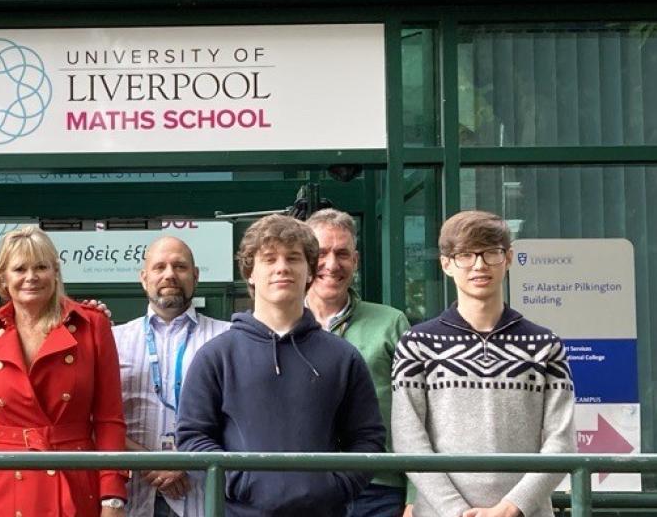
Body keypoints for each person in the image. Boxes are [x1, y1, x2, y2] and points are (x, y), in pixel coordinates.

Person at [177, 214, 386, 517]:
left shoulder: (343, 357)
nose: (282, 268)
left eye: (293, 258)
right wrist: (241, 482)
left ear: (310, 272)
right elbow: (193, 438)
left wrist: (333, 486)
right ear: (250, 273)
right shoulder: (216, 356)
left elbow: (368, 439)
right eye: (269, 259)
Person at [392, 211, 575, 517]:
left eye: (491, 252)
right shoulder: (417, 344)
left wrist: (512, 507)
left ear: (509, 258)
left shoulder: (546, 345)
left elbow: (562, 442)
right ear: (446, 264)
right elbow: (409, 440)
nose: (479, 265)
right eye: (465, 255)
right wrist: (456, 511)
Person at [0, 226, 128, 517]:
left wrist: (112, 497)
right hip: (4, 482)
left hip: (74, 478)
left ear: (56, 272)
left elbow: (109, 420)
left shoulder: (91, 326)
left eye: (41, 267)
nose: (31, 277)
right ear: (3, 278)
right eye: (19, 268)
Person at [113, 236, 230, 517]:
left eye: (180, 266)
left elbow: (237, 417)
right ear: (144, 278)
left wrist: (187, 459)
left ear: (196, 276)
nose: (169, 274)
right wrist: (148, 461)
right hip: (134, 497)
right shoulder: (113, 340)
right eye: (159, 267)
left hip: (203, 497)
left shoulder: (227, 339)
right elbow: (100, 418)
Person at [305, 209, 411, 517]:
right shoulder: (282, 324)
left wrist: (415, 496)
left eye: (343, 254)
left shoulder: (391, 323)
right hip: (302, 486)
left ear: (357, 260)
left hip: (378, 487)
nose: (332, 264)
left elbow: (417, 413)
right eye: (321, 253)